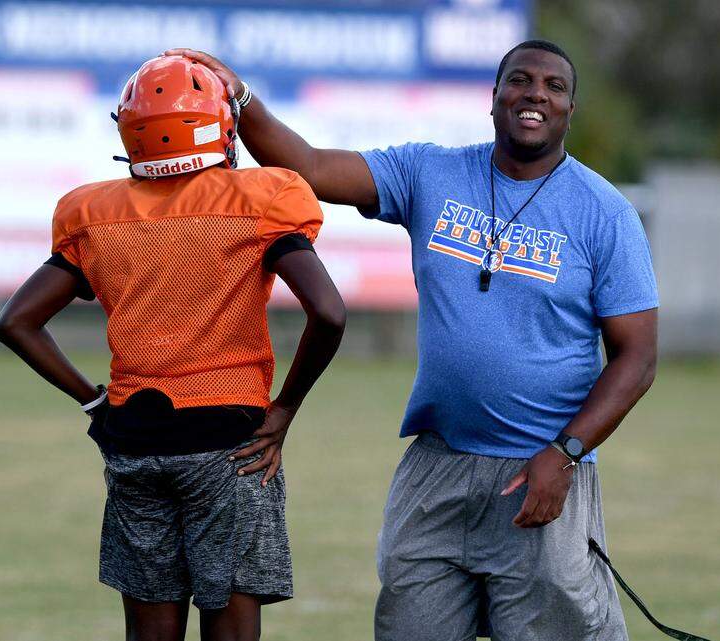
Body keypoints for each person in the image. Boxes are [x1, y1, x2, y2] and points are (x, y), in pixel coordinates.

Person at [167, 40, 659, 641]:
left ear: (570, 109)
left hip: (541, 472)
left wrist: (567, 452)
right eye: (520, 80)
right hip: (438, 466)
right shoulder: (432, 172)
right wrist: (242, 102)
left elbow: (637, 359)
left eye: (554, 86)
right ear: (494, 98)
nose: (536, 94)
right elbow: (311, 168)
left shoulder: (604, 212)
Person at [0, 55, 346, 641]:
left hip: (134, 438)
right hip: (230, 440)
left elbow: (17, 323)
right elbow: (329, 313)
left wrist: (92, 402)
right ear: (220, 126)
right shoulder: (262, 197)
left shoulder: (93, 213)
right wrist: (285, 408)